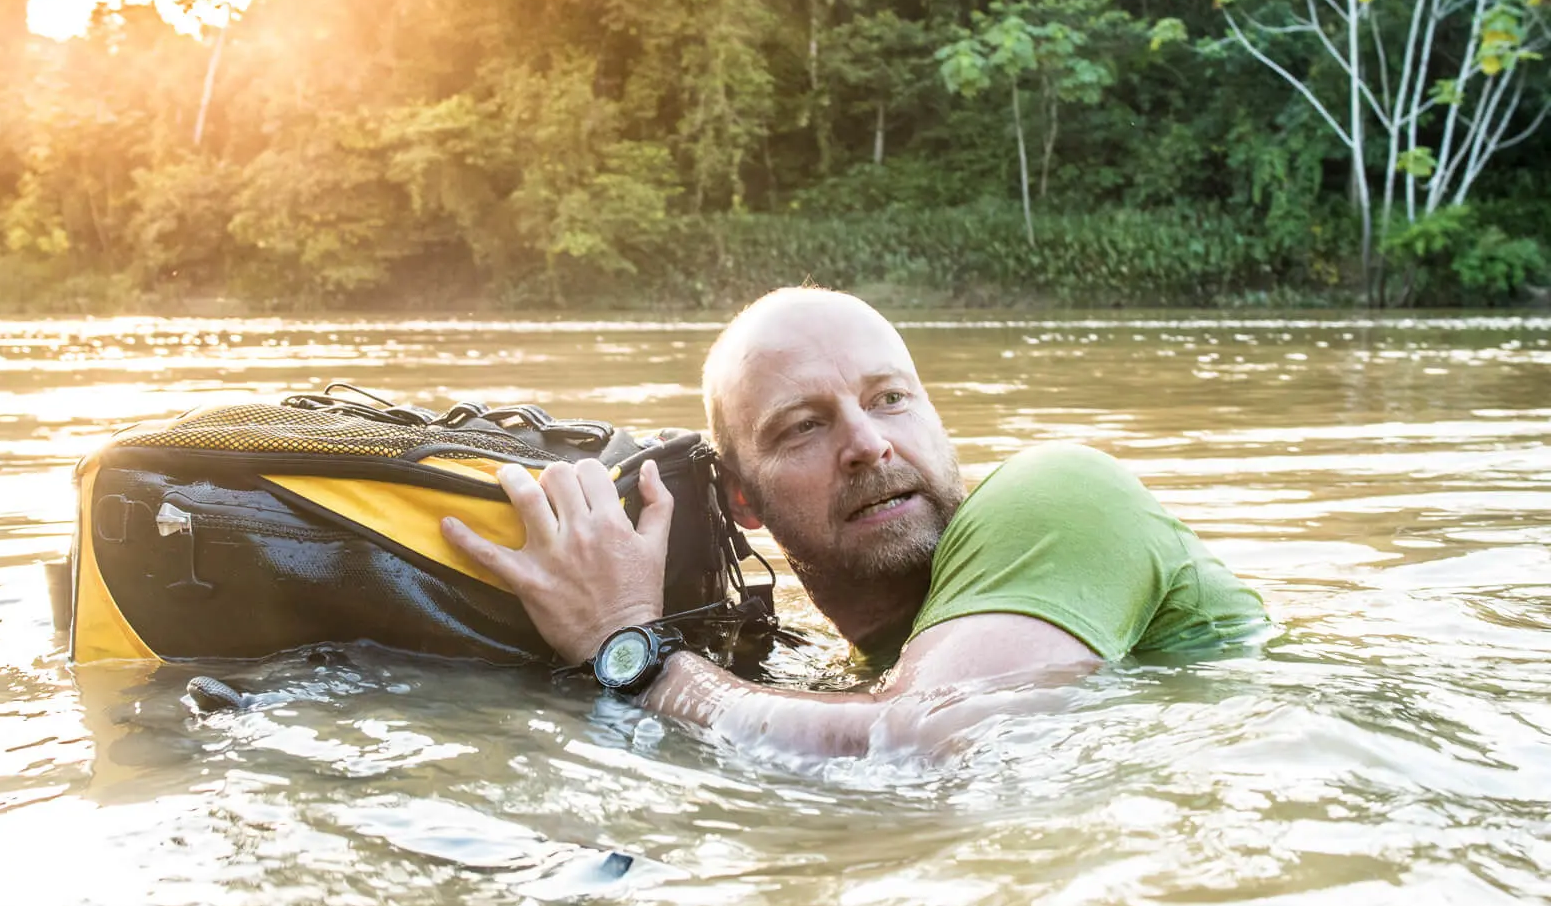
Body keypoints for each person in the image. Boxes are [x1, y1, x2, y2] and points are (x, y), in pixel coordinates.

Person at [440, 287, 1270, 761]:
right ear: (742, 503)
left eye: (889, 398)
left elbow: (930, 747)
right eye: (804, 424)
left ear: (938, 420)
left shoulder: (1061, 491)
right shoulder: (856, 664)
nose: (868, 444)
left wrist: (633, 652)